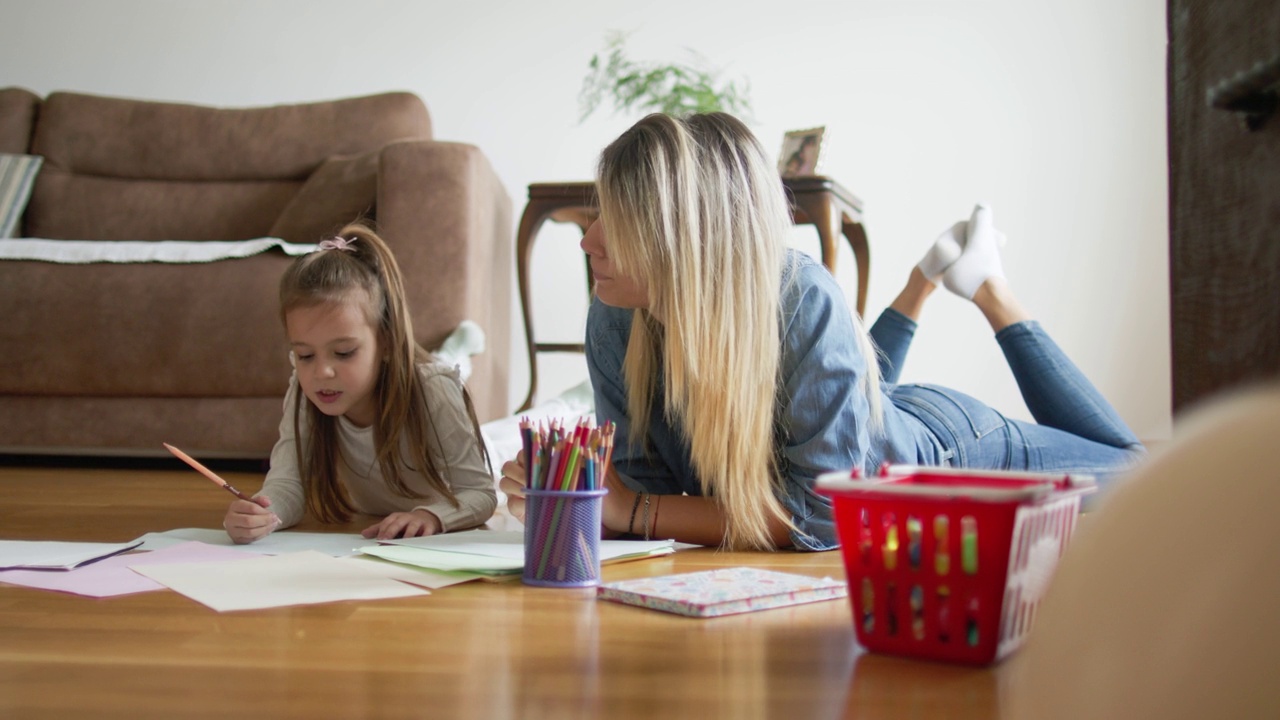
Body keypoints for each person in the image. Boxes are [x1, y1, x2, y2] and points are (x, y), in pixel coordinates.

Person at [500, 112, 1145, 552]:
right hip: (869, 417)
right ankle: (924, 280)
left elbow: (827, 513)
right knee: (851, 376)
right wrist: (574, 494)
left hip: (944, 444)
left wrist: (624, 512)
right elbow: (655, 494)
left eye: (610, 220)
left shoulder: (801, 294)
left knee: (1135, 471)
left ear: (680, 238)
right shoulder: (615, 314)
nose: (586, 240)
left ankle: (989, 290)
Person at [223, 223, 495, 544]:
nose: (321, 372)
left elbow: (479, 492)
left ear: (387, 342)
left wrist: (432, 516)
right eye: (305, 355)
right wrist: (263, 515)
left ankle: (458, 351)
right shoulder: (303, 387)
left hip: (456, 418)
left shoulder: (434, 390)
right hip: (409, 383)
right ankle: (453, 351)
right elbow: (287, 485)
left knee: (448, 376)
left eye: (343, 352)